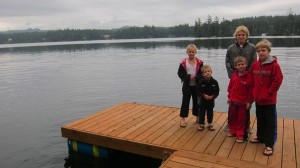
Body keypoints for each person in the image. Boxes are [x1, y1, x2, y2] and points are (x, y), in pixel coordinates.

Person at [249, 39, 283, 156]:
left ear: (268, 51)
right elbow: (252, 80)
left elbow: (277, 81)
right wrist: (253, 92)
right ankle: (261, 137)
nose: (261, 53)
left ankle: (269, 144)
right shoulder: (255, 65)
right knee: (260, 119)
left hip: (269, 100)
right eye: (259, 51)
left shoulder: (274, 65)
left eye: (263, 50)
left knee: (270, 122)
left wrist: (269, 92)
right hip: (258, 99)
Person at [224, 25, 257, 132]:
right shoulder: (231, 48)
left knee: (247, 103)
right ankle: (230, 124)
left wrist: (248, 74)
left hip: (247, 79)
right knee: (232, 102)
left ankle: (246, 125)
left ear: (246, 36)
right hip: (235, 79)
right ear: (236, 36)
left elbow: (254, 62)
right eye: (239, 35)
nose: (241, 37)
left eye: (243, 35)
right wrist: (233, 75)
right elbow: (227, 62)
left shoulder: (252, 48)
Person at [227, 56, 252, 143]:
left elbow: (250, 91)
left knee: (242, 119)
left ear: (246, 65)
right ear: (235, 66)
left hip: (243, 103)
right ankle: (233, 131)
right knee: (233, 117)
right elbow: (230, 88)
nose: (241, 66)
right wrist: (229, 97)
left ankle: (240, 134)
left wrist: (249, 101)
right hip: (233, 101)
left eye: (242, 64)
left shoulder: (248, 77)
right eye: (239, 65)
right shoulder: (234, 75)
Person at [178, 44, 203, 127]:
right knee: (185, 102)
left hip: (197, 86)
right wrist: (188, 77)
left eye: (193, 52)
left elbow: (202, 73)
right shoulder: (183, 62)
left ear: (196, 52)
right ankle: (182, 118)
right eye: (190, 52)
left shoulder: (200, 62)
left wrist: (196, 77)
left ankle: (197, 117)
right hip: (187, 86)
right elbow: (180, 73)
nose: (191, 53)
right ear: (187, 52)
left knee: (197, 102)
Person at [197, 65, 220, 131]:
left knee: (210, 112)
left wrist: (213, 96)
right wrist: (204, 95)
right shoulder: (201, 82)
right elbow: (198, 91)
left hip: (211, 100)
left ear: (211, 72)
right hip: (202, 100)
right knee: (201, 112)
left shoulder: (214, 82)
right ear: (203, 74)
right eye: (205, 72)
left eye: (209, 71)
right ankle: (201, 124)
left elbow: (217, 91)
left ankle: (210, 124)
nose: (207, 73)